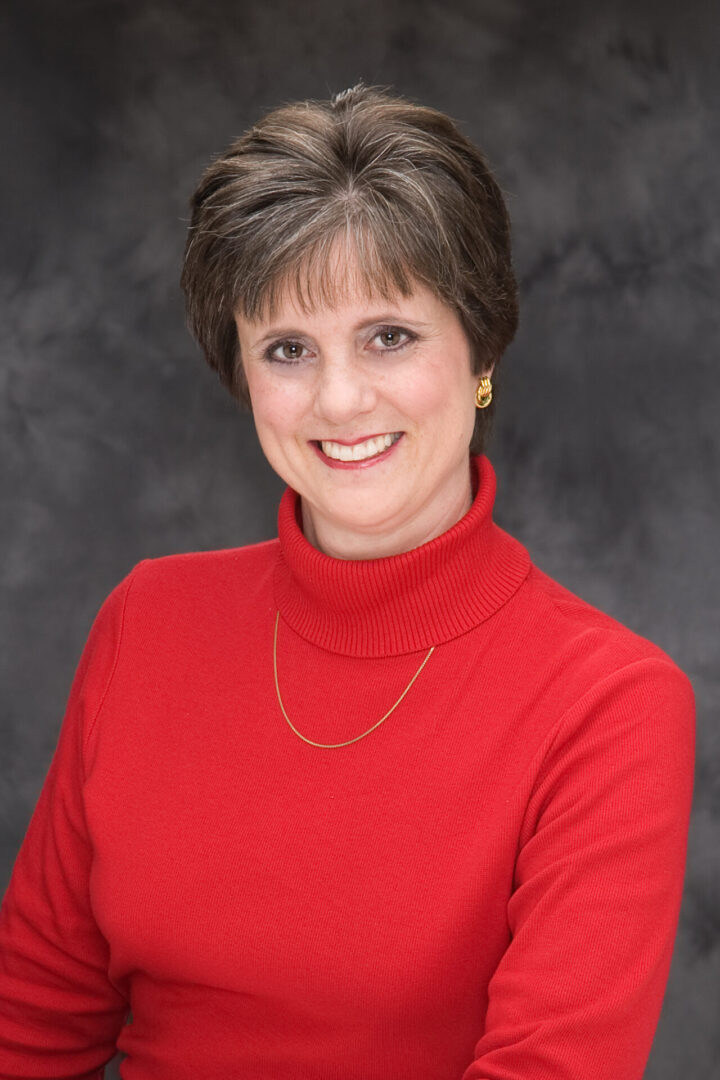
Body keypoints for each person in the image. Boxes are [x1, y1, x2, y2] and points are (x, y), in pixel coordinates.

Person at [0, 84, 695, 1080]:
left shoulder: (610, 705)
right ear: (241, 371)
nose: (337, 400)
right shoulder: (147, 621)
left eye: (389, 336)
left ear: (482, 344)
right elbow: (28, 1026)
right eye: (288, 349)